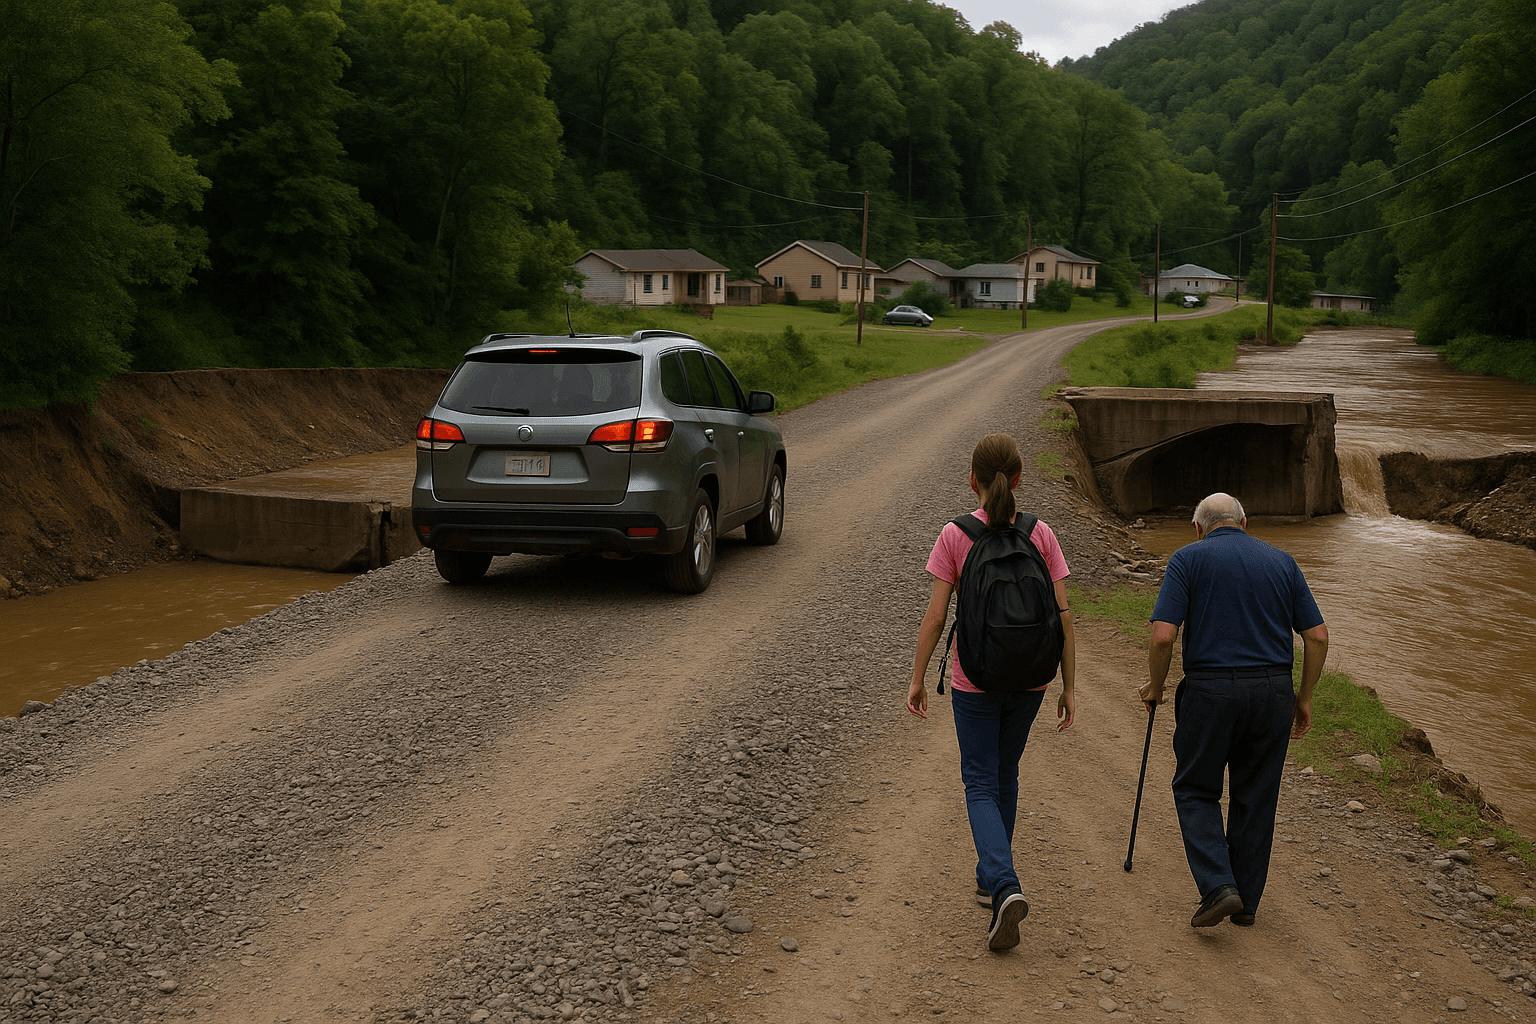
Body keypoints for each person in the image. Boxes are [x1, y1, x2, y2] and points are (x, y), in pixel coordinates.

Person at [907, 433, 1077, 952]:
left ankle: (1003, 885)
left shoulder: (955, 535)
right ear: (1020, 479)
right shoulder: (1041, 534)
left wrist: (916, 678)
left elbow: (937, 615)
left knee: (980, 782)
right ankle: (990, 878)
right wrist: (1070, 685)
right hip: (1031, 680)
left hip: (975, 679)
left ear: (972, 481)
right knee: (1006, 773)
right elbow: (1064, 616)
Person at [1138, 492, 1329, 928]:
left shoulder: (1187, 559)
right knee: (1257, 795)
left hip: (1209, 692)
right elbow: (1316, 636)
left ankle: (1218, 885)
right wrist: (1303, 698)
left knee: (1195, 789)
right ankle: (1245, 904)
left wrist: (1157, 687)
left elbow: (1163, 637)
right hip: (1272, 693)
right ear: (1246, 522)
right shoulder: (1283, 561)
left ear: (1198, 528)